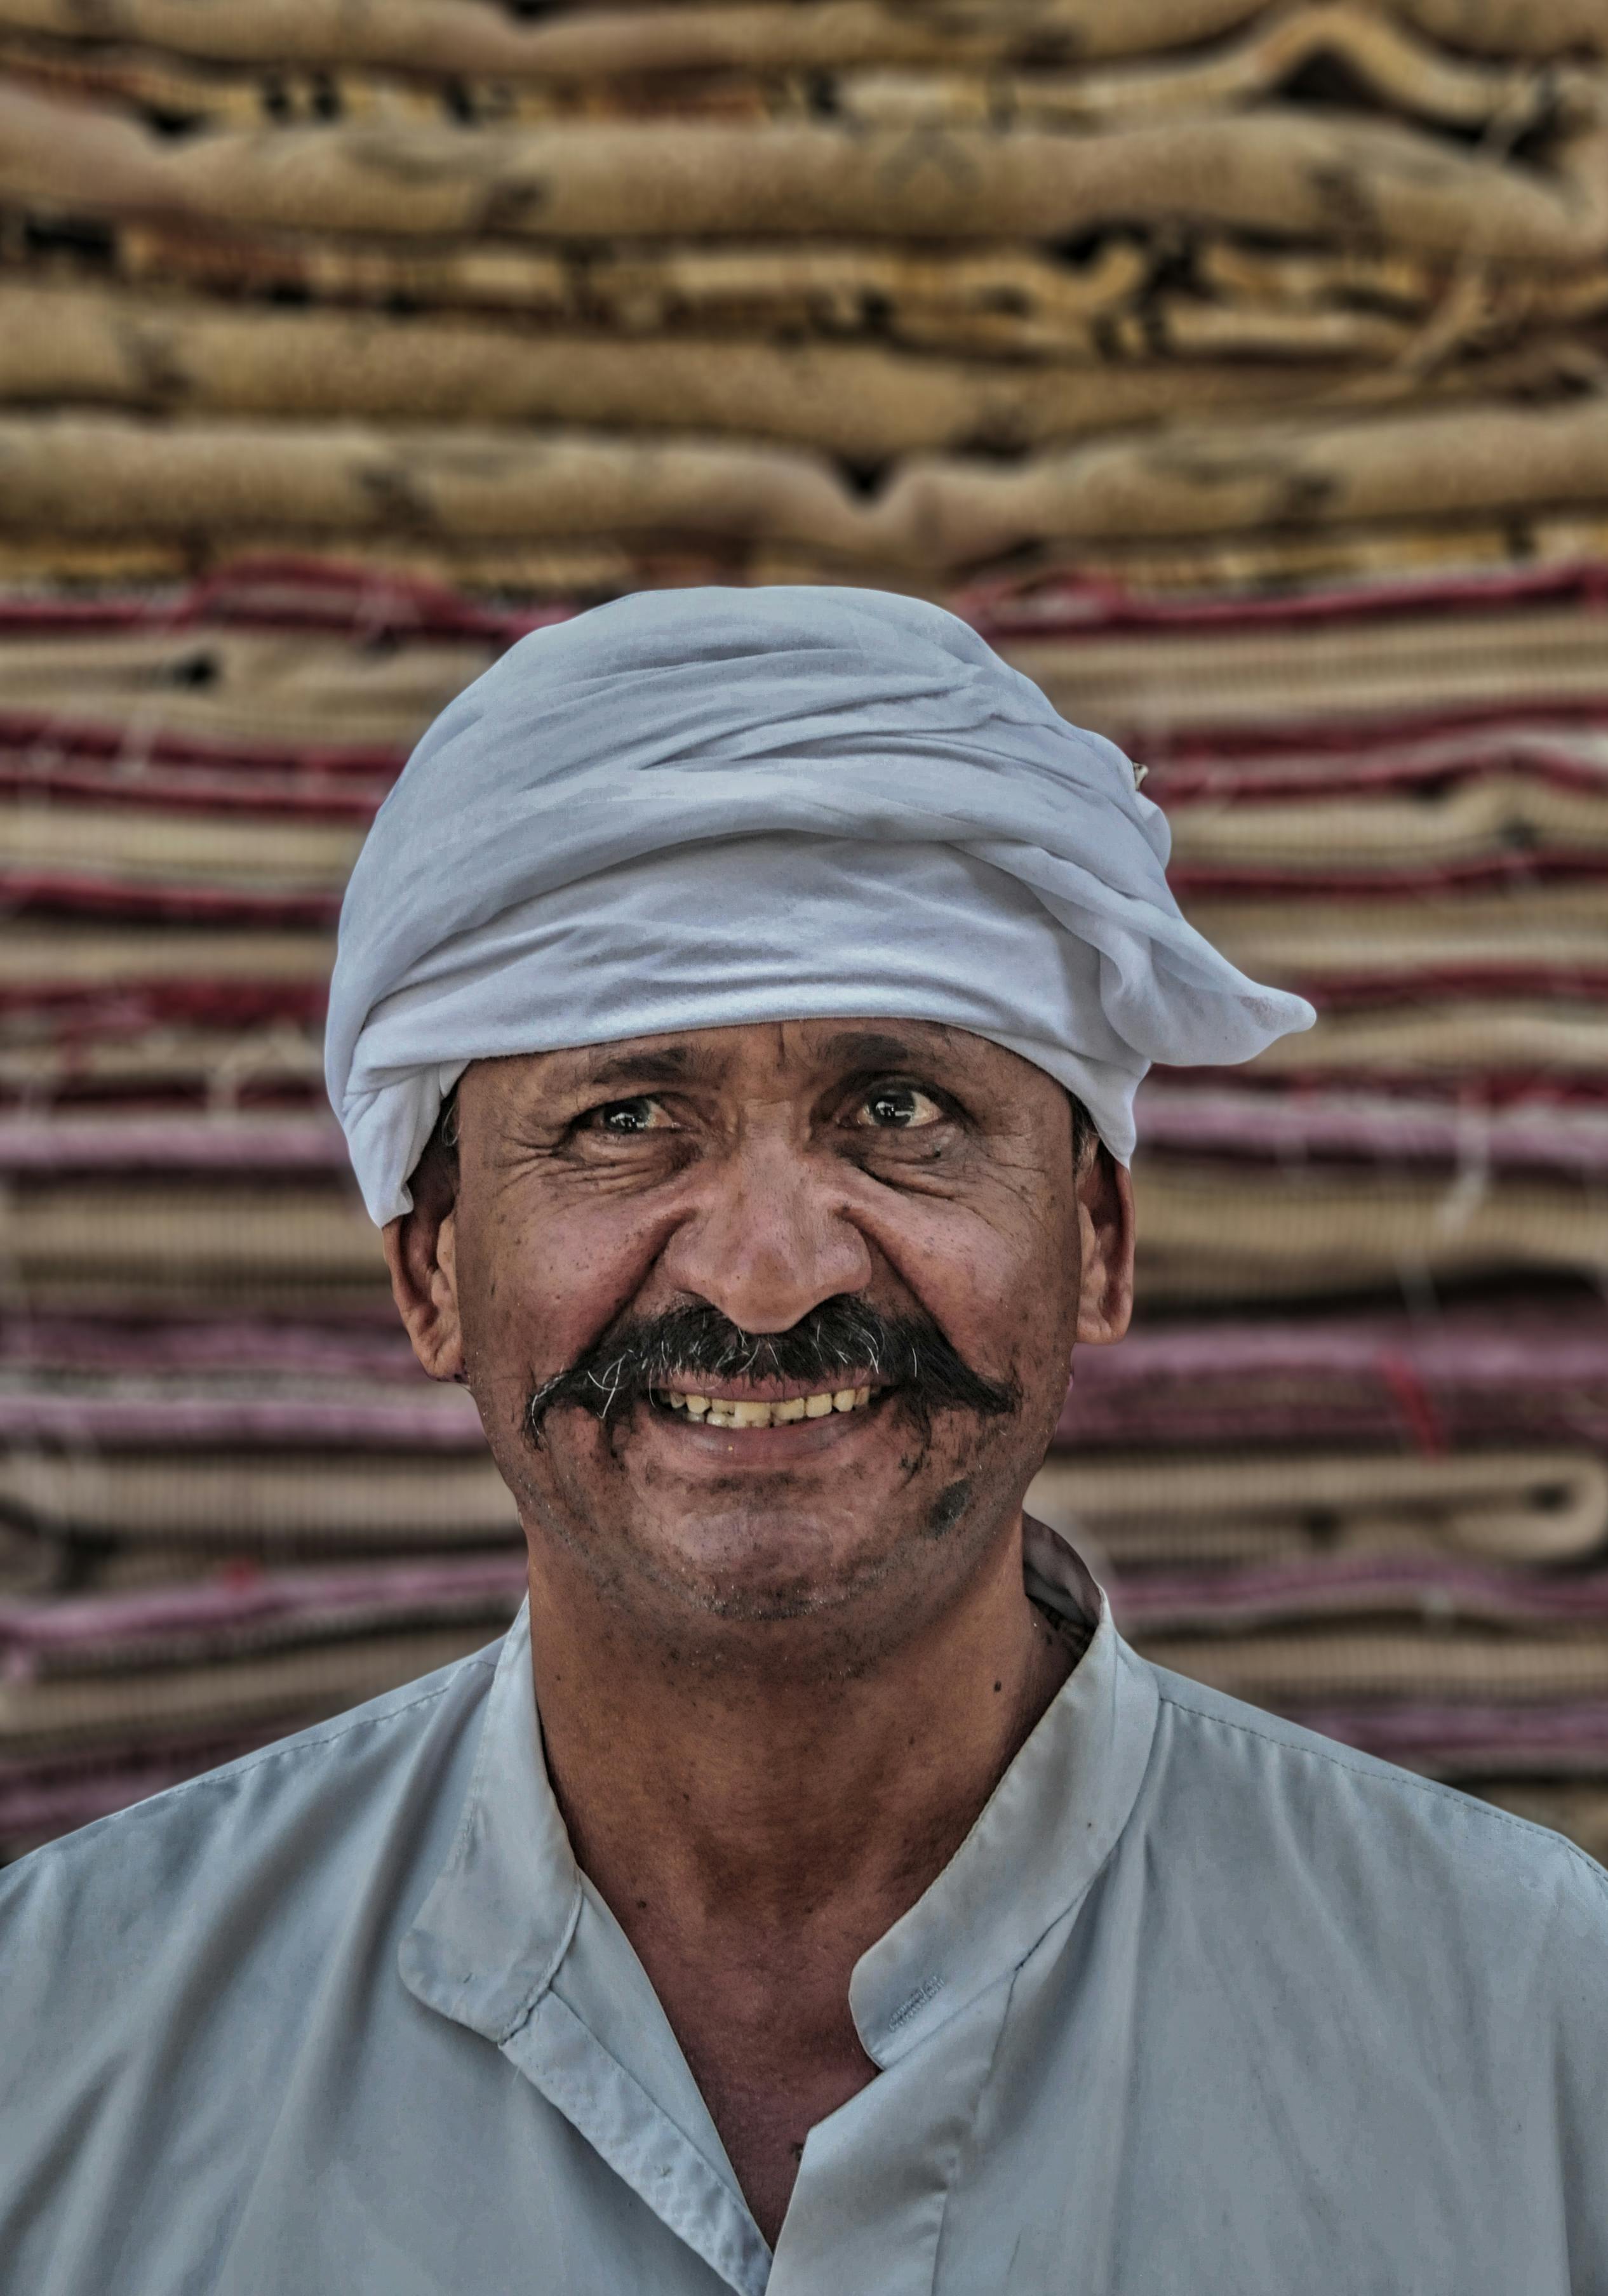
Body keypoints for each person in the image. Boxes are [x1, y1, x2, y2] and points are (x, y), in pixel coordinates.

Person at [2, 589, 1605, 2295]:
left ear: (1099, 1240)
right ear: (430, 1274)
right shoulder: (58, 2043)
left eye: (898, 1112)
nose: (766, 1279)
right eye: (625, 1122)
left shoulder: (1528, 2027)